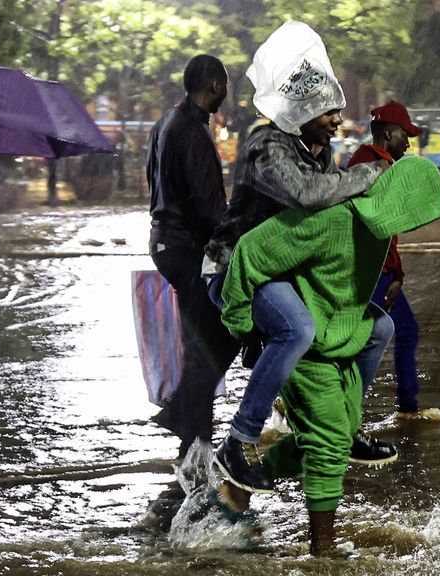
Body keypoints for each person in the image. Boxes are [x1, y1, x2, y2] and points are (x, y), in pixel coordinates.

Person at [216, 151, 440, 557]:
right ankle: (323, 551)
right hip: (308, 344)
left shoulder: (377, 231)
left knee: (334, 437)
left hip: (340, 336)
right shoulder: (332, 219)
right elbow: (250, 252)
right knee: (327, 446)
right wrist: (243, 328)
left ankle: (234, 492)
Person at [203, 20, 392, 495]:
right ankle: (238, 441)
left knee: (379, 327)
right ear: (299, 111)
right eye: (328, 110)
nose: (336, 119)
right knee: (300, 329)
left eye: (336, 110)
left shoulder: (318, 154)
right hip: (234, 270)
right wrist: (367, 174)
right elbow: (307, 196)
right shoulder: (266, 146)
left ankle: (344, 430)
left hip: (285, 273)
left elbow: (331, 207)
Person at [146, 55, 240, 458]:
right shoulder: (194, 133)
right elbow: (208, 208)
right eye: (225, 87)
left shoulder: (166, 122)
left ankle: (189, 431)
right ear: (215, 85)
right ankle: (191, 432)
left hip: (164, 242)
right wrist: (233, 247)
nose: (225, 95)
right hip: (187, 248)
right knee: (221, 333)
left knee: (200, 337)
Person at [348, 101, 425, 417]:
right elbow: (381, 230)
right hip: (374, 271)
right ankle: (405, 408)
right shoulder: (377, 167)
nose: (408, 142)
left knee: (358, 338)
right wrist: (395, 276)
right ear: (388, 133)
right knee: (400, 332)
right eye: (405, 134)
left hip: (375, 270)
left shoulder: (361, 161)